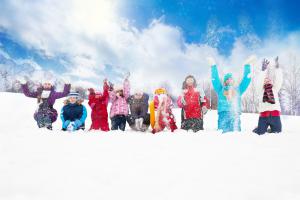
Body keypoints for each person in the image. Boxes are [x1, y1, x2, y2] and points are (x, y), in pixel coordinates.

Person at [207, 55, 255, 133]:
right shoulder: (220, 89)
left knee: (235, 133)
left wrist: (247, 66)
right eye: (227, 79)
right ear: (225, 81)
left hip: (235, 113)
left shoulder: (238, 90)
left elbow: (246, 80)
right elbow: (215, 80)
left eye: (231, 79)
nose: (229, 80)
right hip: (223, 113)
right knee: (222, 132)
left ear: (233, 81)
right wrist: (213, 66)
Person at [253, 57, 283, 135]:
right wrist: (263, 71)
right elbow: (259, 82)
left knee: (278, 131)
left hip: (275, 115)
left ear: (272, 82)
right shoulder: (260, 90)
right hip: (264, 116)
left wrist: (277, 68)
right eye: (265, 80)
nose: (267, 81)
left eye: (269, 80)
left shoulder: (275, 89)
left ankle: (271, 128)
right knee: (260, 132)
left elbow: (279, 80)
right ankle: (259, 127)